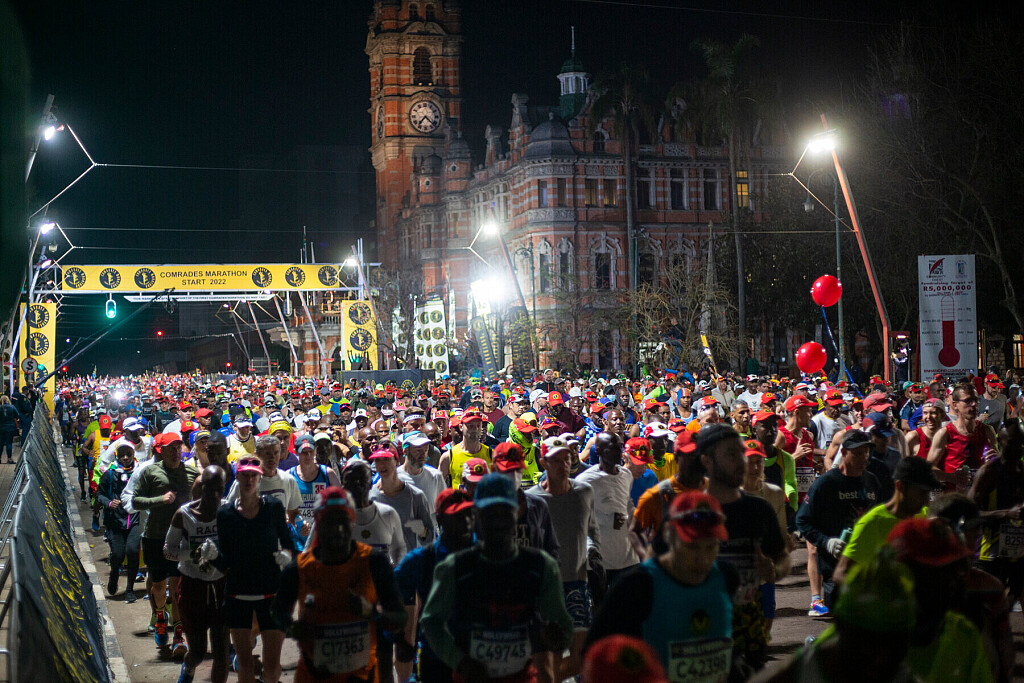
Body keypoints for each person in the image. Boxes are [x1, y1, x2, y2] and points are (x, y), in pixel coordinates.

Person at [420, 473, 573, 683]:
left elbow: (561, 622)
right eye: (490, 513)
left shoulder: (541, 567)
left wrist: (557, 637)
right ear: (477, 515)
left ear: (517, 511)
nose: (498, 521)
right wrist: (460, 662)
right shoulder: (454, 568)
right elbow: (431, 621)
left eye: (504, 512)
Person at [586, 491, 734, 681]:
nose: (702, 559)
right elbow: (594, 656)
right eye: (691, 547)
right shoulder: (638, 587)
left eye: (711, 546)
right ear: (668, 535)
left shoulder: (726, 578)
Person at [275, 486, 407, 683]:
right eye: (330, 521)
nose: (337, 529)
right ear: (318, 524)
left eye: (342, 521)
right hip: (314, 677)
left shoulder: (373, 562)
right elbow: (276, 612)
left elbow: (400, 618)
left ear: (352, 522)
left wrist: (372, 613)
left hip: (362, 677)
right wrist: (292, 627)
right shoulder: (300, 568)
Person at [753, 549, 919, 683]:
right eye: (866, 643)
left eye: (894, 644)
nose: (879, 659)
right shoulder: (805, 670)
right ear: (840, 627)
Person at [700, 424, 788, 673]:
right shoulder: (692, 508)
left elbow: (782, 558)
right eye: (731, 455)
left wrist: (775, 569)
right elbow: (662, 563)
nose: (742, 464)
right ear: (708, 462)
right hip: (706, 624)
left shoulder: (760, 508)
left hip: (749, 626)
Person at [207, 455, 294, 683]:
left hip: (271, 594)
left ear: (260, 478)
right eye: (245, 475)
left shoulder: (273, 507)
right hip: (238, 596)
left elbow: (288, 543)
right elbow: (225, 563)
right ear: (237, 477)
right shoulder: (225, 514)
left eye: (254, 475)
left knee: (272, 667)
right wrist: (213, 557)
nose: (249, 480)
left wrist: (287, 556)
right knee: (244, 665)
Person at [527, 436, 602, 680]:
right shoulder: (532, 499)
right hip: (546, 587)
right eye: (556, 460)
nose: (564, 465)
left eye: (567, 459)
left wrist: (593, 552)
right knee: (549, 654)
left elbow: (592, 529)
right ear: (543, 463)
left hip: (577, 582)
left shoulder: (584, 492)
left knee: (580, 657)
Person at [888, 517, 994, 683]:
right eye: (936, 572)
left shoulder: (963, 632)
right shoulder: (865, 634)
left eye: (952, 570)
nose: (952, 581)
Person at [394, 488, 477, 682]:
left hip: (479, 657)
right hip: (437, 660)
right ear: (440, 520)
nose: (466, 521)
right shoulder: (423, 559)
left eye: (468, 514)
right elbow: (391, 592)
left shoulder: (487, 554)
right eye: (457, 516)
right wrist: (400, 638)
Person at [795, 429, 881, 612]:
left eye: (866, 453)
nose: (863, 458)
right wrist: (826, 542)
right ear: (843, 452)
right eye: (857, 453)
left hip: (866, 564)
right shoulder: (826, 483)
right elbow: (802, 520)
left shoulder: (871, 481)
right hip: (835, 566)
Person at [133, 432, 200, 651]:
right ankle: (160, 616)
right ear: (160, 450)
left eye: (178, 447)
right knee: (159, 585)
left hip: (181, 538)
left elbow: (202, 500)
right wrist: (159, 500)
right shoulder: (150, 472)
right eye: (171, 447)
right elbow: (135, 501)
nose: (175, 451)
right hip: (154, 536)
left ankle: (179, 634)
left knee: (177, 585)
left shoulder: (192, 473)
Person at [164, 466, 230, 683]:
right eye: (210, 488)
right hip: (193, 587)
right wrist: (192, 554)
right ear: (200, 488)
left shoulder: (228, 510)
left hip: (221, 585)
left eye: (219, 489)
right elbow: (168, 550)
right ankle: (189, 668)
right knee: (199, 652)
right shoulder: (184, 514)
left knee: (221, 650)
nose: (215, 495)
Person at [833, 456, 939, 584]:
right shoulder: (872, 522)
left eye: (928, 494)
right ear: (900, 486)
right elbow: (840, 574)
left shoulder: (925, 517)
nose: (926, 500)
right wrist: (878, 590)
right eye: (921, 493)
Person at [971, 416, 1024, 612]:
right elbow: (969, 511)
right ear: (1000, 442)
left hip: (1016, 552)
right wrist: (1005, 514)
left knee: (1010, 601)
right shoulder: (989, 472)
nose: (1018, 447)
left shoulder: (1022, 471)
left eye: (1021, 442)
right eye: (1012, 442)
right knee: (985, 611)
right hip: (989, 554)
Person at [576, 432, 640, 589]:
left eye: (620, 446)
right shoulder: (586, 481)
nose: (618, 451)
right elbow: (579, 520)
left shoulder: (626, 475)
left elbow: (627, 504)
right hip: (599, 557)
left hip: (626, 555)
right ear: (598, 450)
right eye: (612, 448)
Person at [740, 439, 788, 632]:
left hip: (765, 571)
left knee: (766, 618)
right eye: (749, 462)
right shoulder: (729, 495)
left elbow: (781, 534)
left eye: (759, 462)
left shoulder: (774, 494)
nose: (755, 467)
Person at [368, 442, 436, 553]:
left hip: (407, 561)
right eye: (377, 460)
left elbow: (430, 539)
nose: (382, 465)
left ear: (396, 461)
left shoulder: (415, 496)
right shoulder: (370, 497)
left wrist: (422, 531)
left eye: (387, 459)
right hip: (380, 562)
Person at [928, 383, 997, 489]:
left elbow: (996, 462)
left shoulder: (987, 431)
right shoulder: (945, 433)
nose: (974, 404)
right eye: (968, 401)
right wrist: (951, 477)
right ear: (955, 405)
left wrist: (996, 460)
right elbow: (929, 468)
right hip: (954, 495)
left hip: (981, 493)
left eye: (976, 400)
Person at [97, 442, 142, 602]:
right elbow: (99, 494)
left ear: (133, 454)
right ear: (117, 456)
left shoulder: (140, 472)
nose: (125, 458)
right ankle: (114, 574)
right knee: (118, 554)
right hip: (115, 521)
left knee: (132, 552)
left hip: (135, 519)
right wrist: (109, 503)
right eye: (122, 455)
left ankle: (129, 590)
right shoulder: (110, 474)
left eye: (128, 454)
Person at [226, 435, 302, 527]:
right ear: (256, 455)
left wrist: (298, 523)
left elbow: (293, 512)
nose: (272, 457)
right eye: (267, 454)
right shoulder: (245, 482)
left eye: (276, 453)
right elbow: (229, 513)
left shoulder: (288, 480)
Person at [341, 459, 407, 565]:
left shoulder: (388, 514)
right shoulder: (333, 518)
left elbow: (399, 549)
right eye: (352, 481)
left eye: (362, 480)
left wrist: (395, 570)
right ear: (343, 486)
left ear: (371, 483)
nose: (357, 485)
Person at [439, 408, 491, 488]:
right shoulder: (449, 457)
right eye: (471, 426)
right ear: (461, 427)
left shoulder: (491, 455)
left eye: (478, 425)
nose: (475, 429)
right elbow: (438, 486)